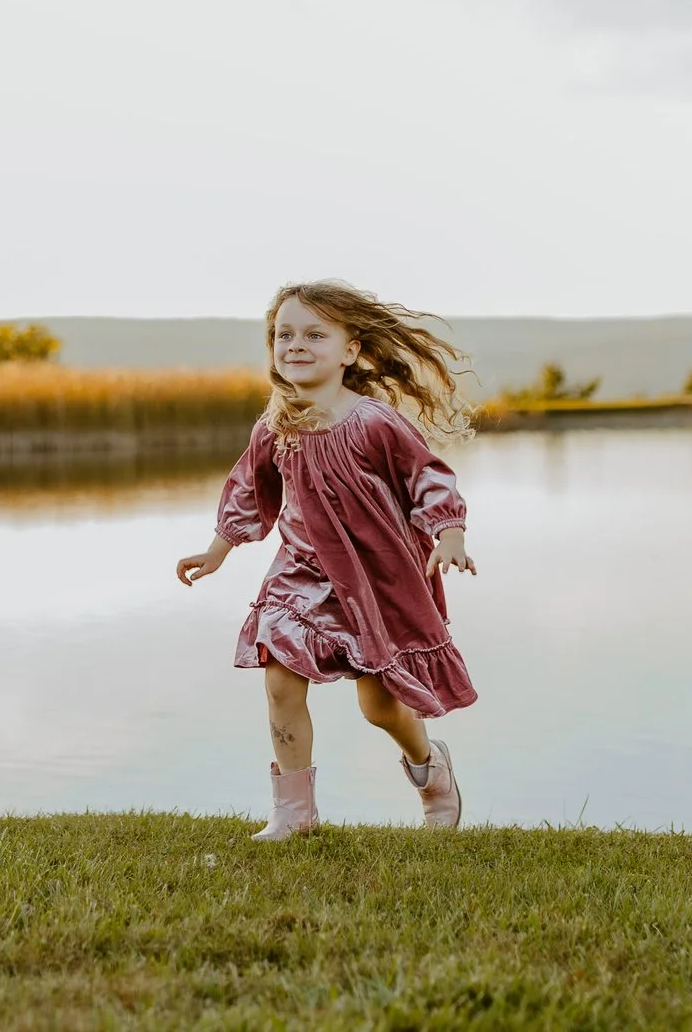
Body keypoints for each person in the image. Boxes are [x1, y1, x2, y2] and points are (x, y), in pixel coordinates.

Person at [177, 280, 479, 841]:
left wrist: (450, 531)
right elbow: (250, 487)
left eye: (315, 334)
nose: (295, 344)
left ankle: (429, 767)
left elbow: (429, 476)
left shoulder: (373, 422)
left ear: (350, 350)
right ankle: (294, 814)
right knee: (281, 680)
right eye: (284, 334)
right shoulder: (274, 426)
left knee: (380, 708)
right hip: (299, 572)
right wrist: (218, 549)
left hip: (374, 580)